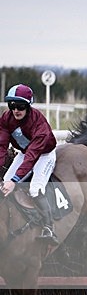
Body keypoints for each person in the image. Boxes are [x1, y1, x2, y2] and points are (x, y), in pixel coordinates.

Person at [0, 84, 60, 244]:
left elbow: (33, 156)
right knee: (4, 184)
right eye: (12, 105)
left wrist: (15, 180)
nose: (15, 110)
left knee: (35, 188)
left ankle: (49, 228)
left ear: (28, 105)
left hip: (44, 155)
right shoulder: (6, 118)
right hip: (25, 152)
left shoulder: (39, 124)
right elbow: (1, 147)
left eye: (20, 106)